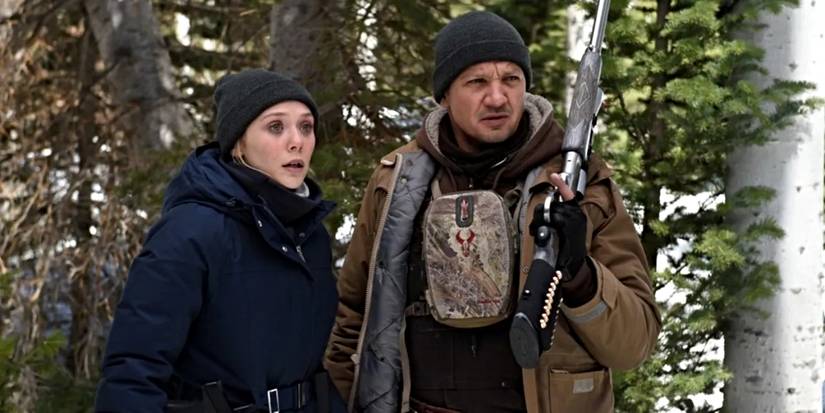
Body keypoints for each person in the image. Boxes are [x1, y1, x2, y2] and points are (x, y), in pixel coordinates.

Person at [325, 11, 661, 413]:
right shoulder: (396, 182)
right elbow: (352, 320)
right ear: (444, 95)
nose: (498, 98)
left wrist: (582, 276)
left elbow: (634, 344)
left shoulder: (578, 184)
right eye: (477, 82)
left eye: (511, 80)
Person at [96, 69, 345, 412]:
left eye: (306, 126)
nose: (296, 141)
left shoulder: (310, 234)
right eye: (276, 126)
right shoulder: (190, 231)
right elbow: (133, 371)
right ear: (238, 142)